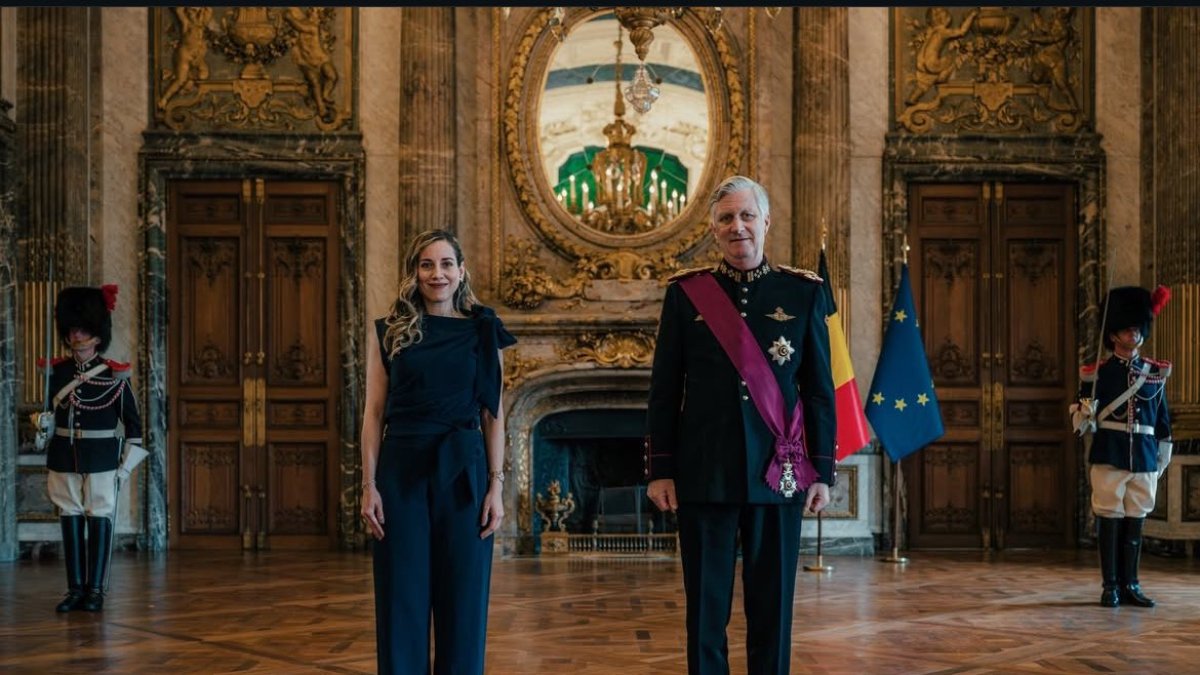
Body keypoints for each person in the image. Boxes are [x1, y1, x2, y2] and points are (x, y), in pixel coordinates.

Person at [644, 175, 836, 675]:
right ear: (713, 229)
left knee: (772, 607)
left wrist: (823, 471)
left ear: (765, 222)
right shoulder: (687, 296)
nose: (738, 227)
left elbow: (818, 389)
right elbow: (665, 390)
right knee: (705, 611)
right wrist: (660, 469)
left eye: (747, 216)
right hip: (704, 473)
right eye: (727, 218)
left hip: (781, 473)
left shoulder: (803, 294)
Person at [359, 229, 516, 674]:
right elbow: (373, 413)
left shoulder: (484, 331)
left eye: (446, 264)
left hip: (464, 470)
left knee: (464, 598)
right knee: (400, 595)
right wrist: (369, 485)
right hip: (401, 470)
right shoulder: (389, 332)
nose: (437, 273)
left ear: (461, 271)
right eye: (427, 264)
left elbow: (494, 414)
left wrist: (496, 487)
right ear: (415, 273)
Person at [41, 285, 143, 612]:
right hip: (63, 455)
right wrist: (41, 425)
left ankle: (95, 590)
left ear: (97, 335)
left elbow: (135, 428)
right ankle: (75, 590)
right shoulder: (56, 373)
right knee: (70, 517)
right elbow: (48, 413)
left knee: (98, 517)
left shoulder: (115, 374)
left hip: (101, 460)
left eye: (83, 330)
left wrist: (124, 468)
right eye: (72, 330)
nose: (76, 336)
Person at [1074, 285, 1172, 608]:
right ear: (1113, 333)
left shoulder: (1155, 374)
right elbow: (1080, 414)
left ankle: (1131, 583)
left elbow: (1162, 419)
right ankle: (1110, 585)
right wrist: (1084, 415)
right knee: (1110, 518)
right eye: (1129, 328)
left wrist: (1163, 450)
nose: (1135, 333)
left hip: (1143, 455)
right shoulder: (1097, 374)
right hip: (1110, 452)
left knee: (1135, 521)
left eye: (1138, 328)